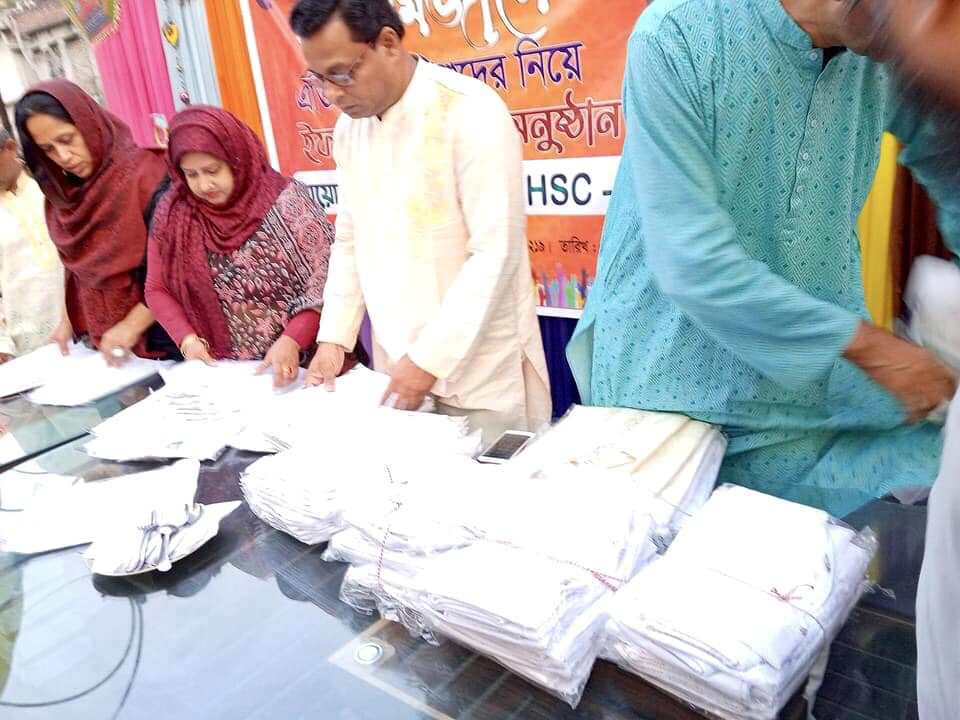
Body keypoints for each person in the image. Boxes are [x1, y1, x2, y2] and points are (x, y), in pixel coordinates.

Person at [566, 0, 959, 518]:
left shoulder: (886, 49)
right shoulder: (679, 33)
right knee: (666, 551)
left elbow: (950, 162)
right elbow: (691, 258)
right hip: (669, 376)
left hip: (807, 386)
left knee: (815, 553)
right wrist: (871, 349)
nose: (931, 22)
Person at [290, 0, 551, 435]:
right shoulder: (349, 130)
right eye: (320, 79)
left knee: (491, 474)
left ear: (388, 43)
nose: (332, 94)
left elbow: (495, 254)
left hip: (478, 375)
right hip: (397, 369)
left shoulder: (471, 112)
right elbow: (351, 240)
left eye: (342, 73)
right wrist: (334, 338)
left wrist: (429, 359)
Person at [145, 106, 334, 386]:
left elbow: (328, 282)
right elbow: (156, 288)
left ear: (237, 159)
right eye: (191, 174)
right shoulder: (173, 213)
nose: (204, 184)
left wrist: (293, 340)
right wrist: (187, 340)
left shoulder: (289, 202)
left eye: (212, 170)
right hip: (230, 376)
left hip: (306, 369)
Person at [14, 80, 176, 366]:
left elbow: (178, 264)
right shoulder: (62, 197)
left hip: (164, 342)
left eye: (67, 139)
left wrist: (132, 326)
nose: (63, 157)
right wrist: (67, 322)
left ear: (88, 123)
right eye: (48, 149)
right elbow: (78, 268)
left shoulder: (146, 175)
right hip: (104, 349)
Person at [0, 129, 63, 361]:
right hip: (27, 347)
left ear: (10, 148)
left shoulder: (55, 184)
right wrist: (2, 345)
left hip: (87, 327)